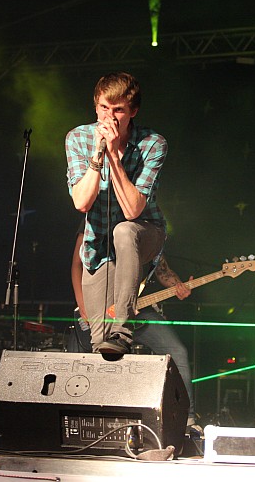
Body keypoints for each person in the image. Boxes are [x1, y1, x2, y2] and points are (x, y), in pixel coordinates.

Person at [65, 72, 167, 355]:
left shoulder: (152, 144)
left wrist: (114, 156)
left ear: (133, 112)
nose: (108, 118)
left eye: (118, 110)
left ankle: (123, 328)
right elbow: (81, 203)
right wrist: (99, 155)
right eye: (103, 108)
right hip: (99, 243)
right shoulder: (78, 138)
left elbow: (133, 210)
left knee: (124, 230)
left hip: (144, 233)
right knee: (101, 344)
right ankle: (111, 347)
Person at [69, 227, 201, 432]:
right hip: (103, 306)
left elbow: (162, 271)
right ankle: (87, 417)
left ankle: (187, 420)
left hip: (138, 308)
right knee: (95, 360)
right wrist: (84, 305)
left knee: (177, 352)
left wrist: (179, 286)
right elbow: (77, 264)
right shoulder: (101, 217)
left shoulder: (150, 226)